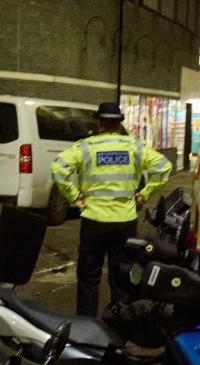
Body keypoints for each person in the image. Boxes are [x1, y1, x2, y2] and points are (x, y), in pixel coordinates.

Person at [51, 102, 173, 316]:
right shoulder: (135, 146)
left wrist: (74, 196)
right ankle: (118, 323)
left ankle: (86, 325)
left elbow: (58, 168)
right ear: (118, 123)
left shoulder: (86, 147)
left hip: (94, 221)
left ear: (99, 122)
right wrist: (144, 194)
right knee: (122, 277)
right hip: (125, 222)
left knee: (89, 278)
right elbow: (164, 168)